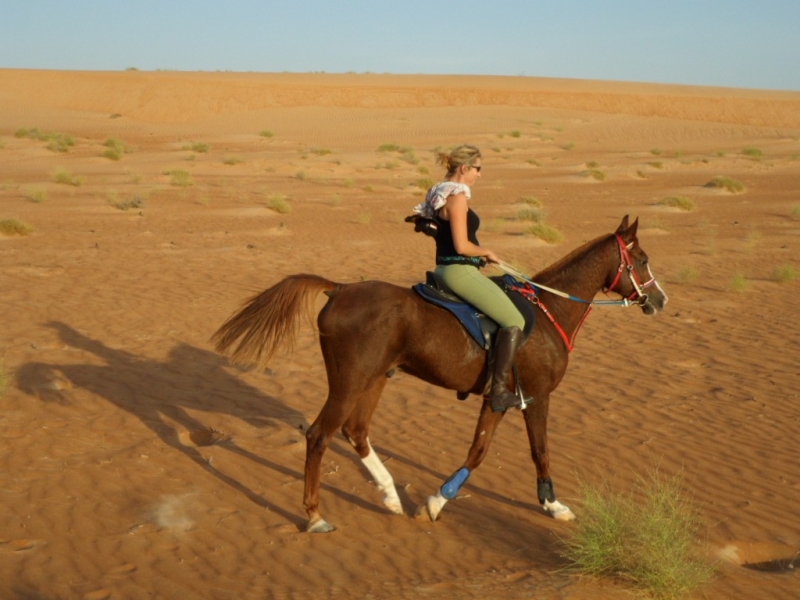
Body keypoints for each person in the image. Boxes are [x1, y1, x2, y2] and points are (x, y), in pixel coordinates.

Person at [413, 144, 525, 412]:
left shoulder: (439, 192)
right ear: (464, 168)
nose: (479, 174)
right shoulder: (458, 197)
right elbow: (462, 246)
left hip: (446, 269)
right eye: (478, 168)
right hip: (459, 271)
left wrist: (478, 258)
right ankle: (498, 392)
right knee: (514, 319)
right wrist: (486, 251)